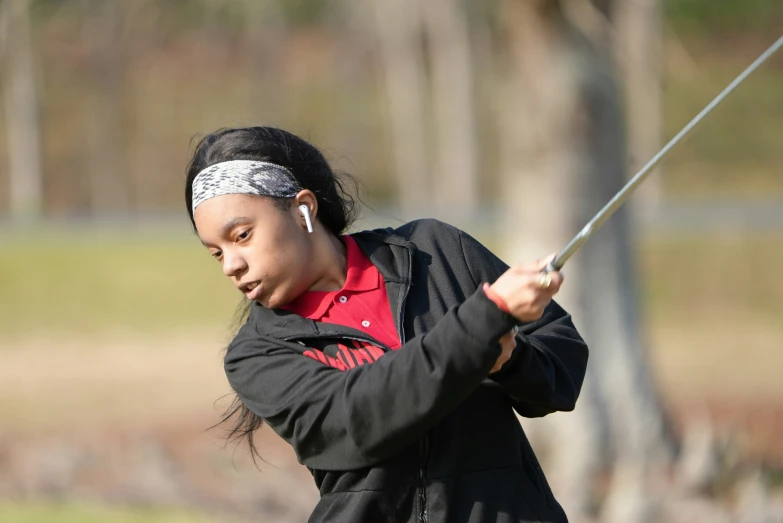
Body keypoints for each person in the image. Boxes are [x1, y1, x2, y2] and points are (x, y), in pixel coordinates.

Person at [185, 126, 589, 523]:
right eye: (217, 253)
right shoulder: (254, 354)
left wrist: (510, 359)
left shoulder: (438, 251)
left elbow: (561, 371)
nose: (232, 265)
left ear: (303, 208)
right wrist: (483, 320)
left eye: (242, 235)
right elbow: (358, 418)